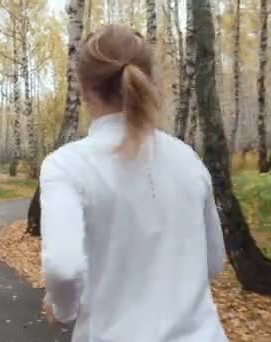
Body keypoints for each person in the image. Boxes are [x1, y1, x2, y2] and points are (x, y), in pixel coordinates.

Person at [39, 24, 227, 342]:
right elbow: (212, 261)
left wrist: (62, 309)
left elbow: (63, 267)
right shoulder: (188, 159)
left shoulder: (67, 165)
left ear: (83, 89)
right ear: (149, 82)